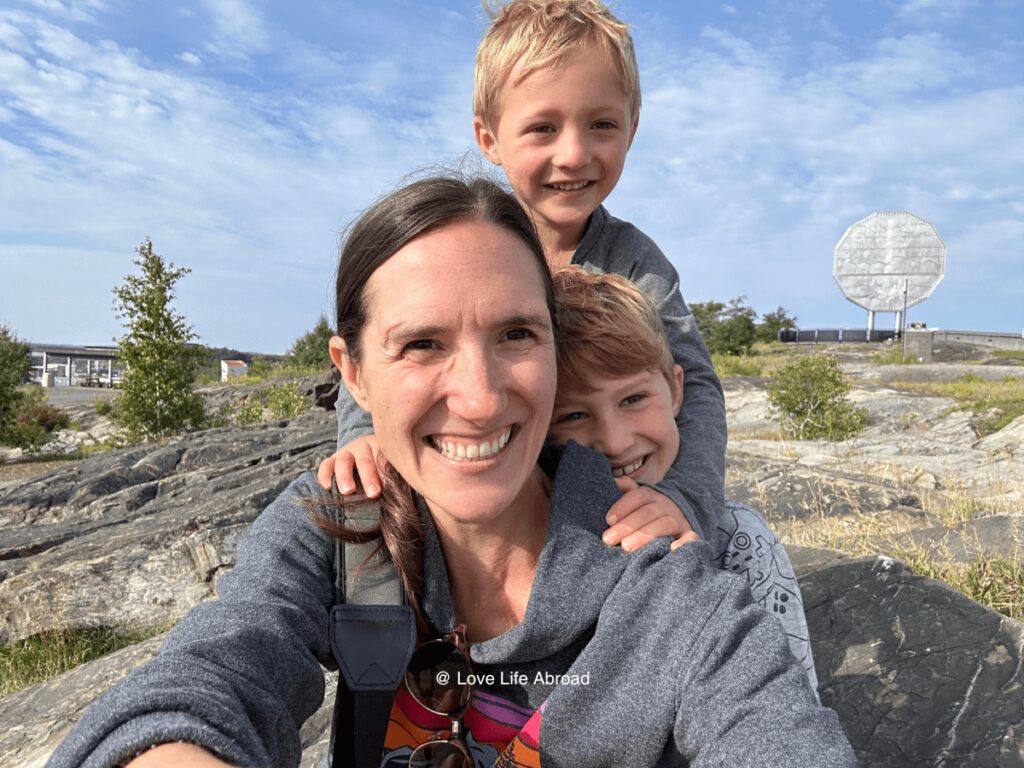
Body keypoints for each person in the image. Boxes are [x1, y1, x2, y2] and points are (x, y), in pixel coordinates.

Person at [47, 176, 855, 767]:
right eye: (423, 343)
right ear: (353, 374)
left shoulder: (656, 569)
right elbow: (219, 666)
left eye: (516, 336)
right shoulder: (341, 521)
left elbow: (771, 724)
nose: (478, 398)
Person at [322, 0, 724, 554]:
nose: (574, 153)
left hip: (602, 506)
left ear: (632, 128)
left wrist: (684, 499)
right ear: (489, 138)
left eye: (602, 124)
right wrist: (362, 436)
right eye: (542, 128)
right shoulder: (465, 246)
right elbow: (381, 344)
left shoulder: (636, 260)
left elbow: (695, 384)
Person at [548, 266, 818, 686]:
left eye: (634, 399)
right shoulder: (527, 530)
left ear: (677, 390)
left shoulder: (739, 543)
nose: (616, 442)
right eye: (573, 415)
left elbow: (788, 690)